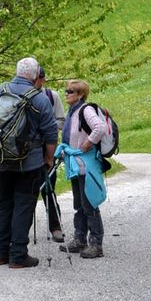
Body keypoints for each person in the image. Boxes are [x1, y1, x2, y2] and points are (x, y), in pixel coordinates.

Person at [0, 57, 58, 269]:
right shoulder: (39, 99)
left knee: (3, 203)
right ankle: (18, 254)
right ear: (34, 75)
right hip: (29, 162)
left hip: (3, 159)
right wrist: (48, 159)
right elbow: (51, 134)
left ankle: (0, 253)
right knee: (23, 205)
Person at [58, 79, 108, 259]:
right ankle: (80, 239)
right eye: (66, 91)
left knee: (89, 203)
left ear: (80, 94)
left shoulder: (85, 110)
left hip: (86, 165)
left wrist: (88, 143)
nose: (66, 94)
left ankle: (96, 243)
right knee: (79, 204)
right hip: (76, 164)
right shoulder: (73, 112)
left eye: (70, 91)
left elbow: (100, 128)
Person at [35, 66, 66, 242]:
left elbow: (61, 120)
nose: (37, 80)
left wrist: (47, 128)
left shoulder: (51, 96)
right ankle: (21, 229)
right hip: (27, 150)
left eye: (40, 77)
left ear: (43, 79)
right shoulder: (21, 95)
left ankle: (55, 226)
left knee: (48, 188)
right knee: (26, 191)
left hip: (48, 149)